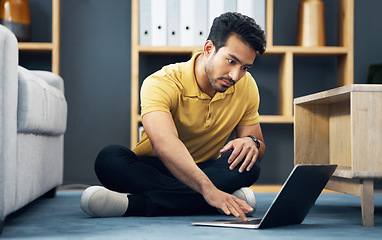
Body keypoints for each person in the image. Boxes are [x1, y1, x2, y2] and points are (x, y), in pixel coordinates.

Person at [80, 12, 266, 222]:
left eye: (244, 68)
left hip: (207, 167)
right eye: (231, 61)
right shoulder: (161, 82)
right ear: (208, 49)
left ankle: (132, 205)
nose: (235, 75)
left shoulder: (246, 85)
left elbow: (257, 143)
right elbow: (165, 144)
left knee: (250, 167)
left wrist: (251, 143)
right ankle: (215, 202)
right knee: (109, 159)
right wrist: (209, 190)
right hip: (155, 167)